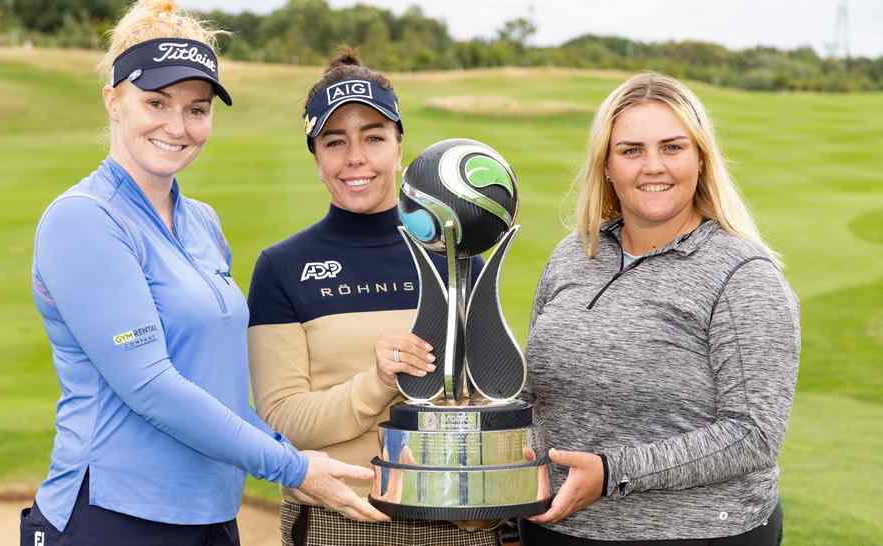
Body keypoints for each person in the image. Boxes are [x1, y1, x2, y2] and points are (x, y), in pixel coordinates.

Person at [20, 3, 387, 545]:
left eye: (197, 109)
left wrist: (287, 454)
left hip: (210, 517)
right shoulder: (83, 219)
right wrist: (292, 467)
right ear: (113, 101)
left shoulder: (202, 223)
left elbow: (218, 386)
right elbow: (150, 385)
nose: (177, 126)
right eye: (156, 103)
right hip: (112, 515)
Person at [520, 72, 800, 545]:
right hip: (559, 528)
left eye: (672, 148)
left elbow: (753, 434)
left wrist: (612, 473)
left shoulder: (743, 274)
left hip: (697, 533)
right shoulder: (573, 254)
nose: (653, 166)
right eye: (631, 151)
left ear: (700, 159)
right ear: (606, 166)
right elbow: (534, 395)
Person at [246, 50, 495, 546]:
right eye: (335, 141)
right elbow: (284, 423)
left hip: (455, 520)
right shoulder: (282, 267)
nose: (355, 157)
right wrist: (379, 382)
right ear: (315, 155)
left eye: (374, 137)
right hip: (342, 521)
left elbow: (490, 396)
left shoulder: (459, 257)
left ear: (400, 146)